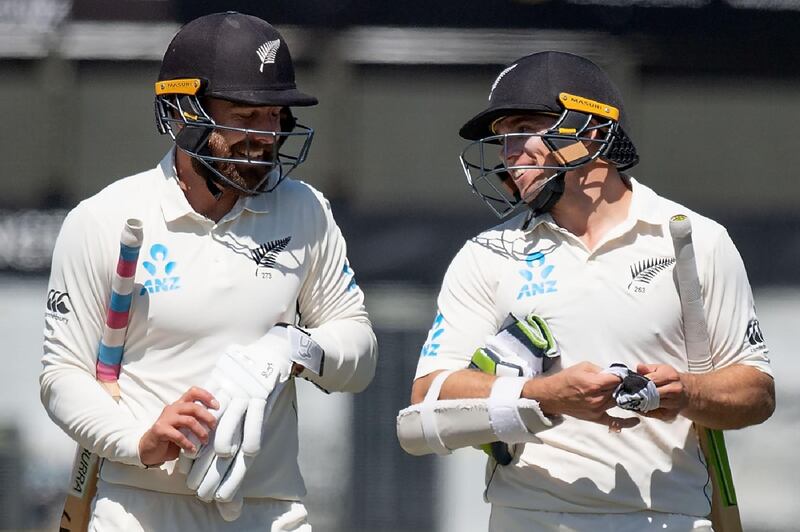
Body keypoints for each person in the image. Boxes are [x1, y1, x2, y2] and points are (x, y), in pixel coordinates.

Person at [406, 51, 774, 531]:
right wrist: (545, 395)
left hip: (665, 517)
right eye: (502, 138)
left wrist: (685, 392)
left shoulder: (693, 238)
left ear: (591, 130)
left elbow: (756, 392)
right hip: (527, 517)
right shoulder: (489, 253)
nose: (507, 152)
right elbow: (428, 398)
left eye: (523, 129)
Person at [40, 12, 377, 531]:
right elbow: (62, 377)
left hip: (271, 509)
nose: (266, 136)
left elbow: (359, 353)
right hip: (139, 508)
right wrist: (138, 440)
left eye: (274, 116)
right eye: (246, 115)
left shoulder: (305, 210)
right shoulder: (104, 219)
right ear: (184, 113)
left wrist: (289, 347)